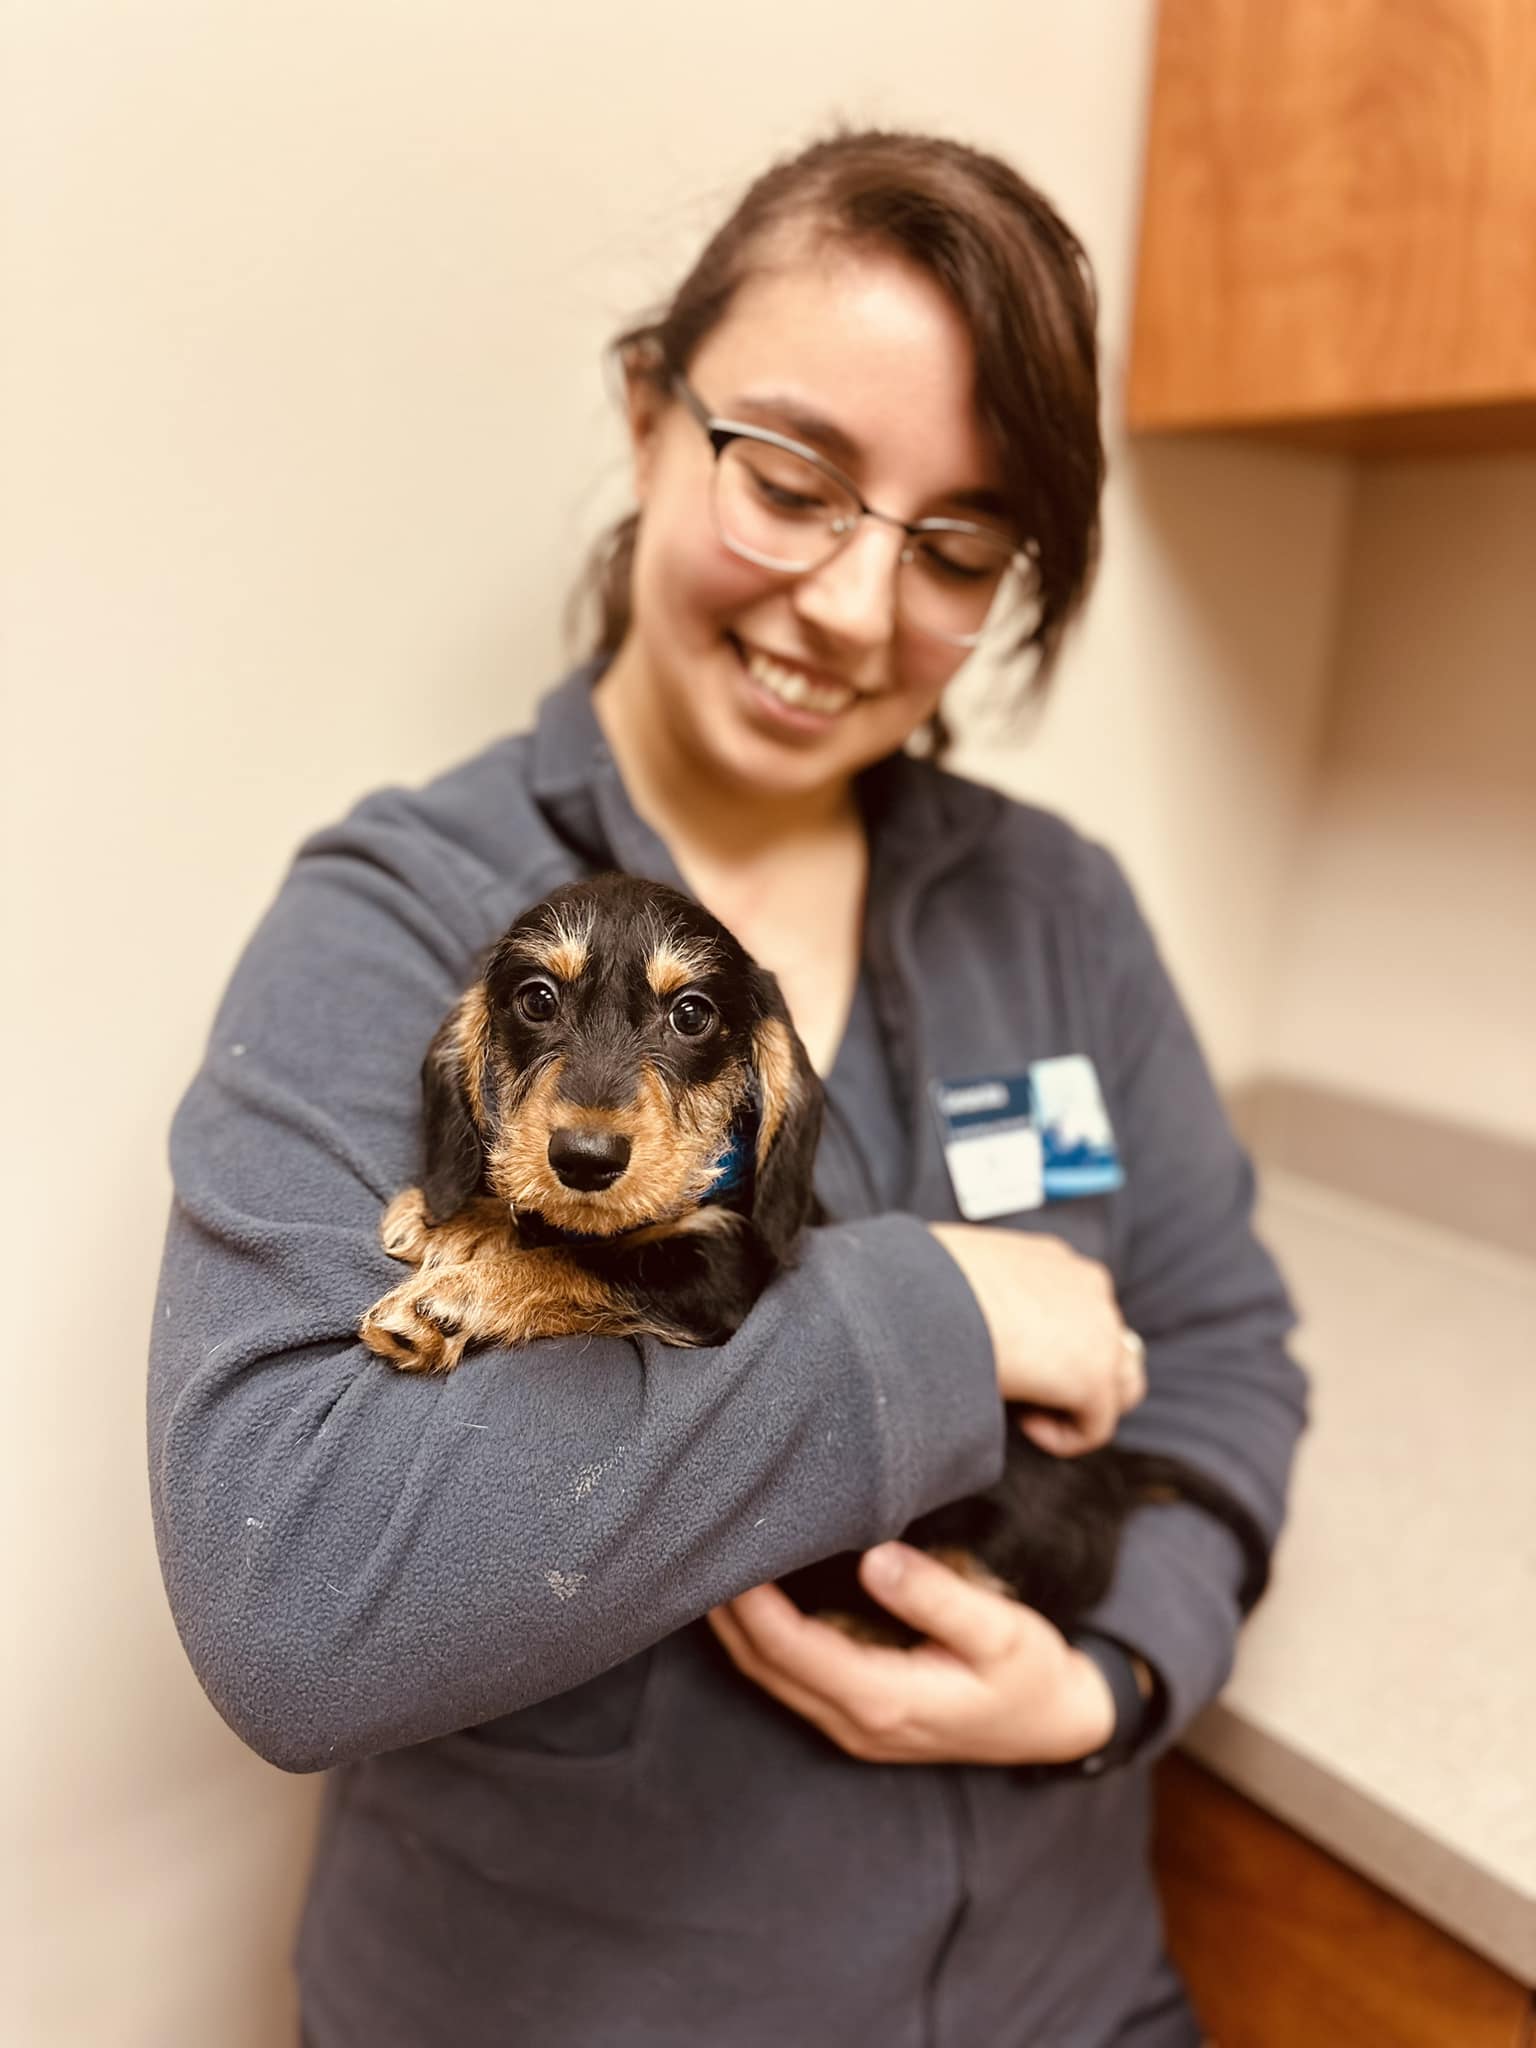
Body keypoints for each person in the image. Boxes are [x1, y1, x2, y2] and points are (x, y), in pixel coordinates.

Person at [148, 127, 1307, 2047]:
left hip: (1068, 2006)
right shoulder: (400, 920)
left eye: (955, 548)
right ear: (644, 414)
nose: (854, 610)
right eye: (791, 479)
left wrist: (1112, 1680)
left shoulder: (1056, 909)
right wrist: (933, 1306)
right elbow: (297, 1598)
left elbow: (1224, 1353)